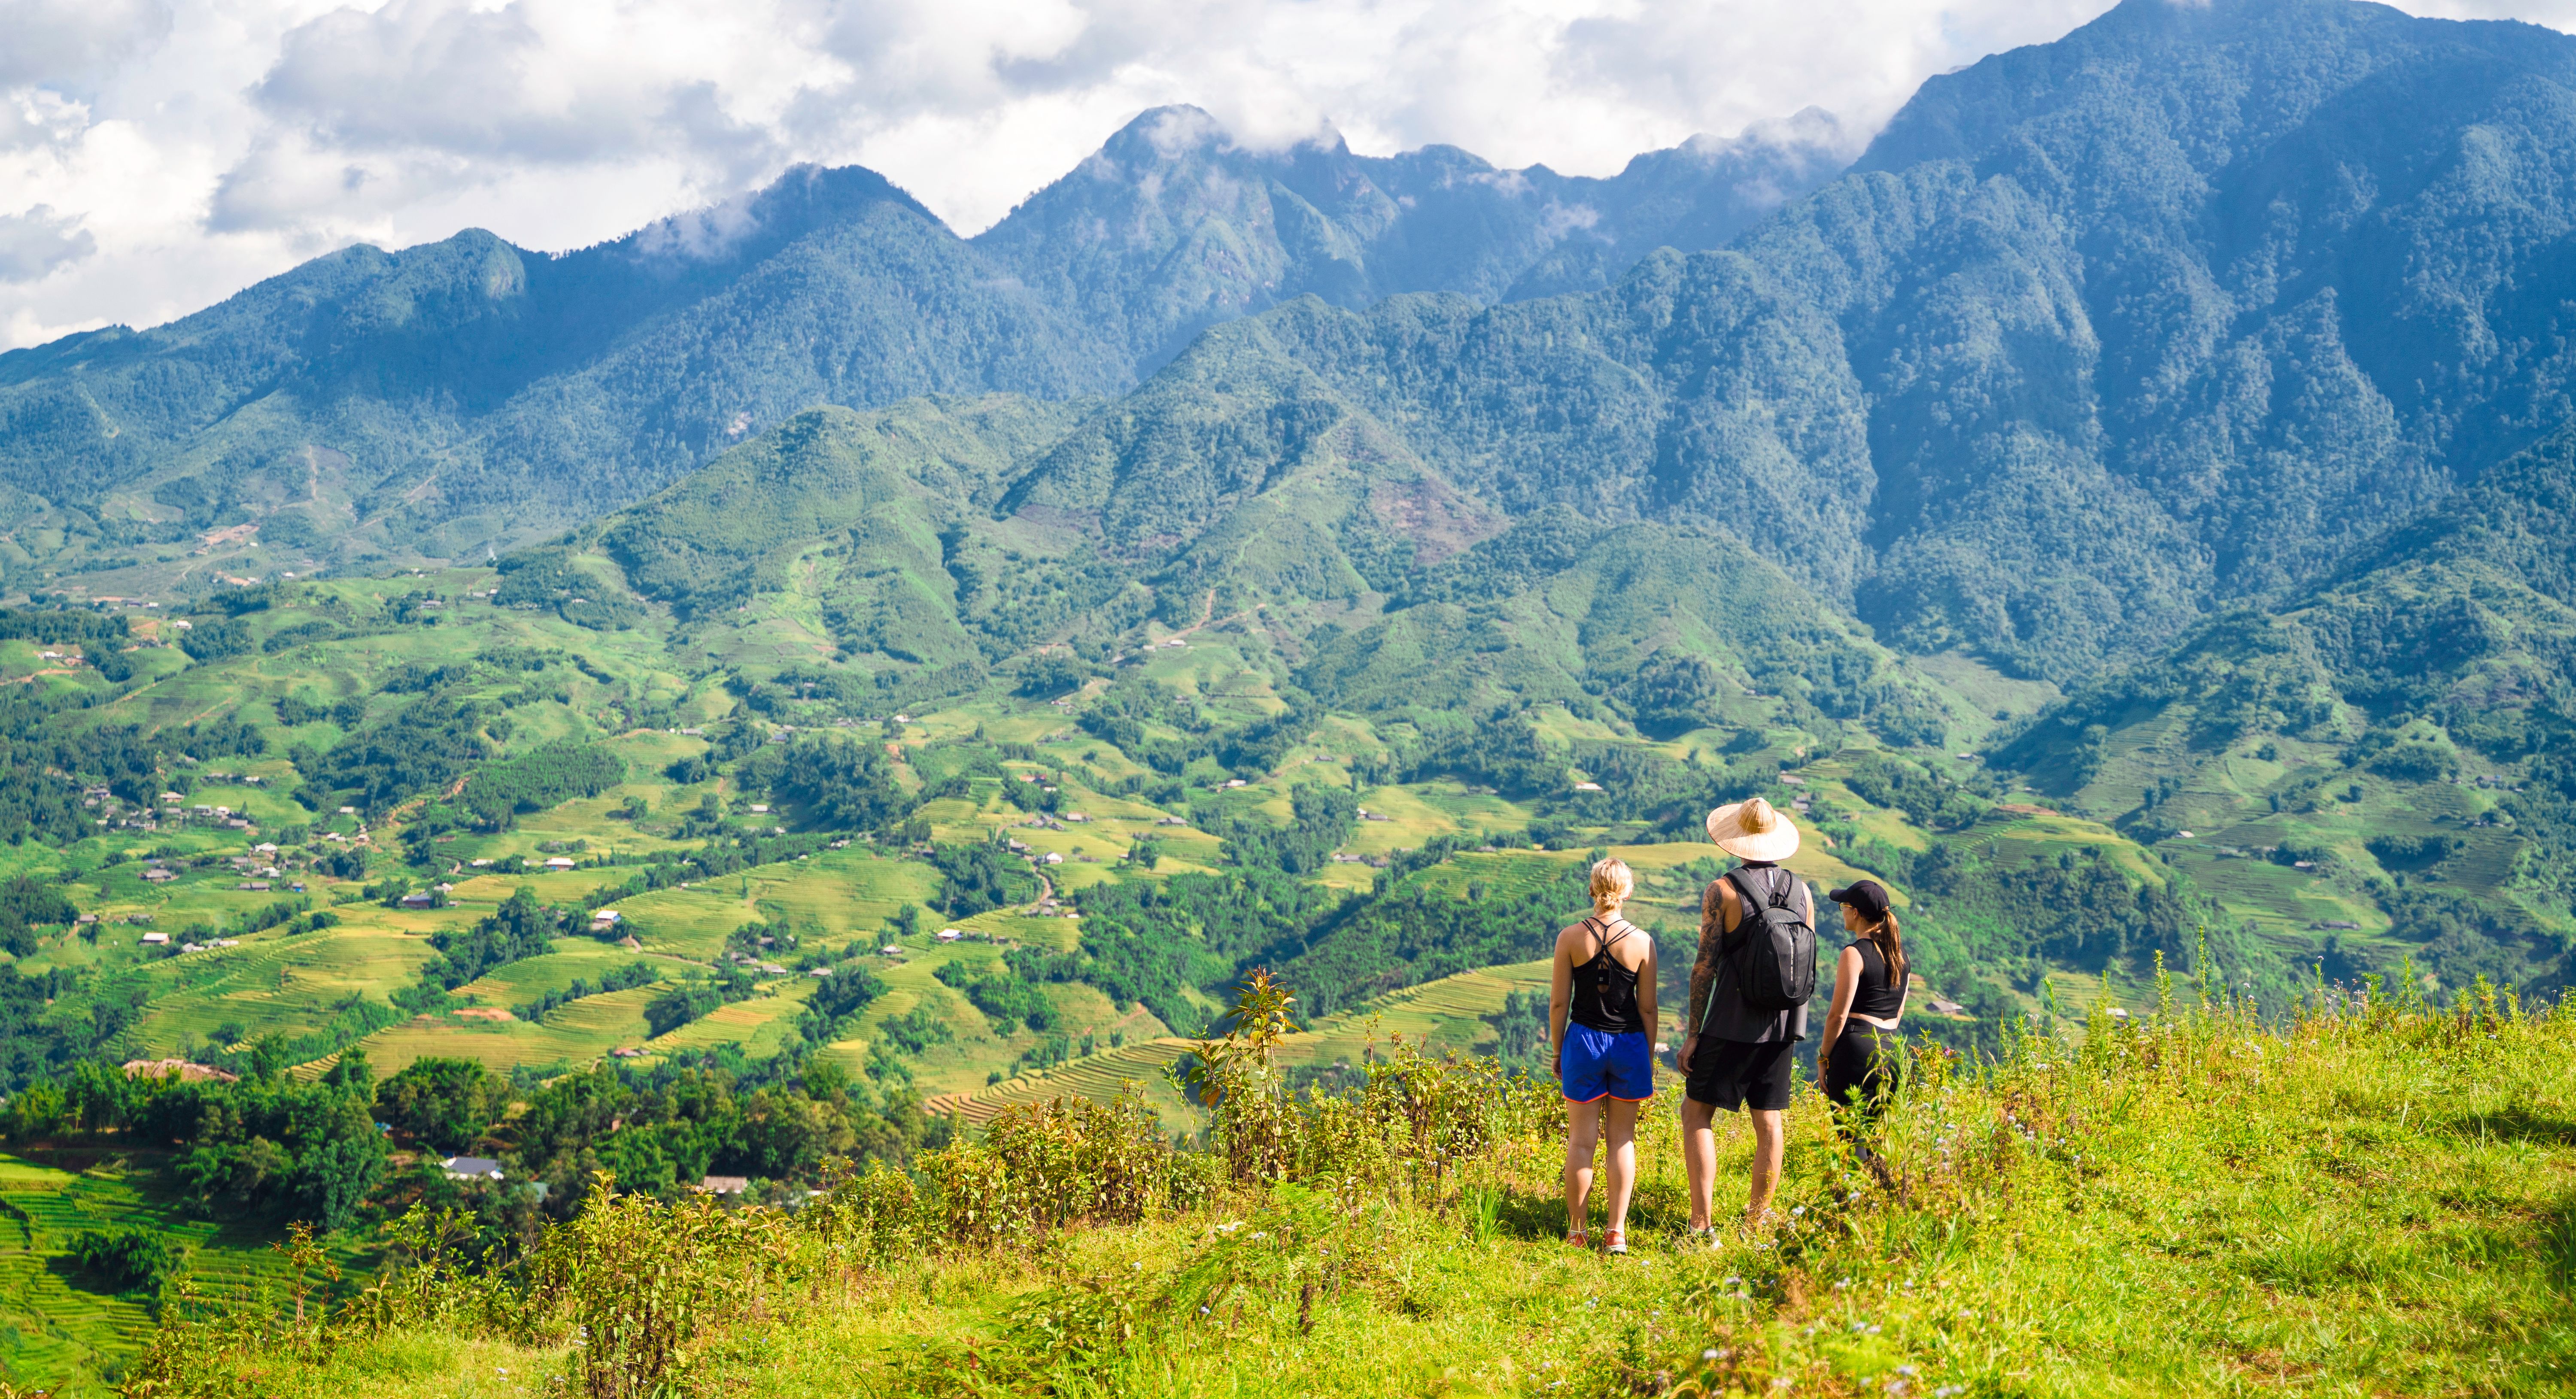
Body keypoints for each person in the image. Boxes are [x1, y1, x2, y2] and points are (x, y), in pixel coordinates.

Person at [1676, 796, 1810, 1238]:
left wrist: (1693, 1033)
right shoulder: (1802, 890)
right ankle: (1757, 1220)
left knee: (1697, 1113)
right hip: (1785, 1024)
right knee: (1769, 1121)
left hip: (1731, 1022)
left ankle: (1701, 1225)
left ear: (1736, 840)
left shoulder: (1723, 890)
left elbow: (1705, 965)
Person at [1549, 856, 1657, 1255]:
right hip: (1628, 1043)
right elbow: (1647, 1008)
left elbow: (1561, 1003)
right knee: (1622, 1140)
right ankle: (1616, 1233)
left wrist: (1559, 1049)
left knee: (1581, 1141)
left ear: (1592, 890)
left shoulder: (1570, 938)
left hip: (1583, 1041)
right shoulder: (1643, 941)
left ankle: (1578, 1232)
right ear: (1627, 891)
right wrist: (1647, 1052)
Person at [1818, 878, 1906, 1177]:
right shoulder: (1901, 957)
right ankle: (1882, 1203)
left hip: (1856, 1047)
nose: (1842, 912)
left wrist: (1823, 1058)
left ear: (1855, 913)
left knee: (1851, 1134)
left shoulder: (1853, 954)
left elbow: (1837, 1017)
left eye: (1844, 906)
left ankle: (1854, 1205)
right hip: (1892, 1049)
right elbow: (1898, 1013)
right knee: (1878, 1136)